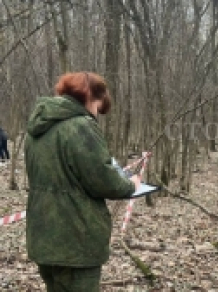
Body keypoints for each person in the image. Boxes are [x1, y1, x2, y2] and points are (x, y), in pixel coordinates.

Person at [24, 72, 142, 292]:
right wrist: (131, 185)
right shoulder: (81, 126)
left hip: (42, 237)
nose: (97, 113)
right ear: (89, 97)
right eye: (98, 105)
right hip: (76, 240)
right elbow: (103, 181)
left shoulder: (37, 129)